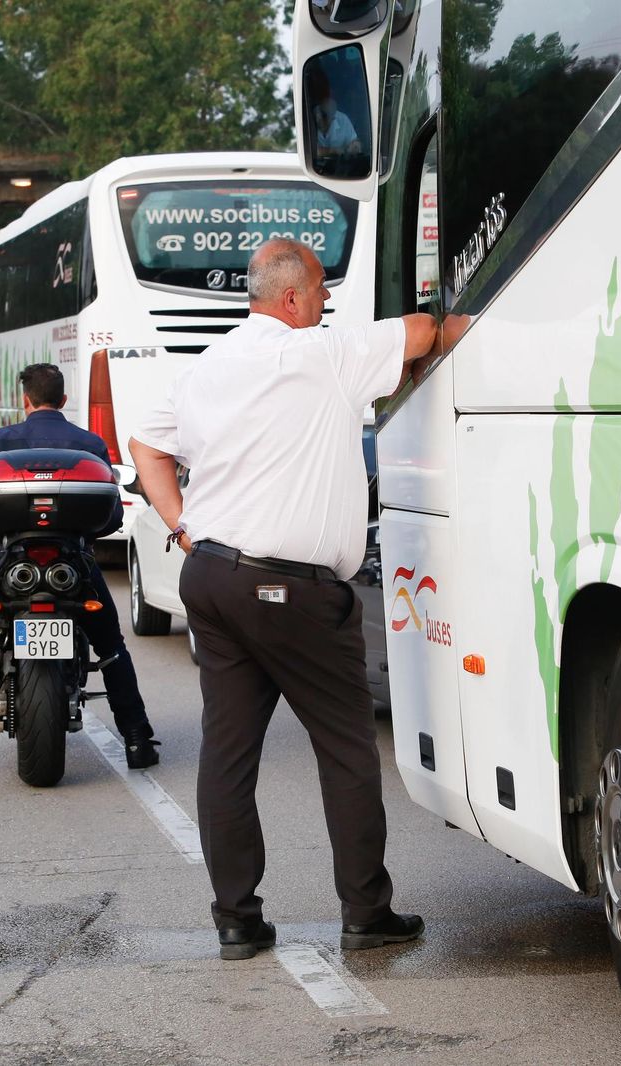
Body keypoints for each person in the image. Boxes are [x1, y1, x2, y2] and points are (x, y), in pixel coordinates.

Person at [129, 238, 437, 962]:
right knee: (346, 747)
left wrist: (179, 524)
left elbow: (145, 446)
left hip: (209, 575)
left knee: (228, 754)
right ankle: (366, 911)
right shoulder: (320, 355)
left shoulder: (206, 369)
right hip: (289, 590)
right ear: (293, 299)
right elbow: (424, 333)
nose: (328, 303)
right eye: (323, 291)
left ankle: (237, 919)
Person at [0, 362, 160, 770]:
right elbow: (113, 515)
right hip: (73, 564)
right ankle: (136, 740)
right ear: (63, 400)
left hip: (8, 561)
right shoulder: (89, 443)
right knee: (111, 647)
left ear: (24, 400)